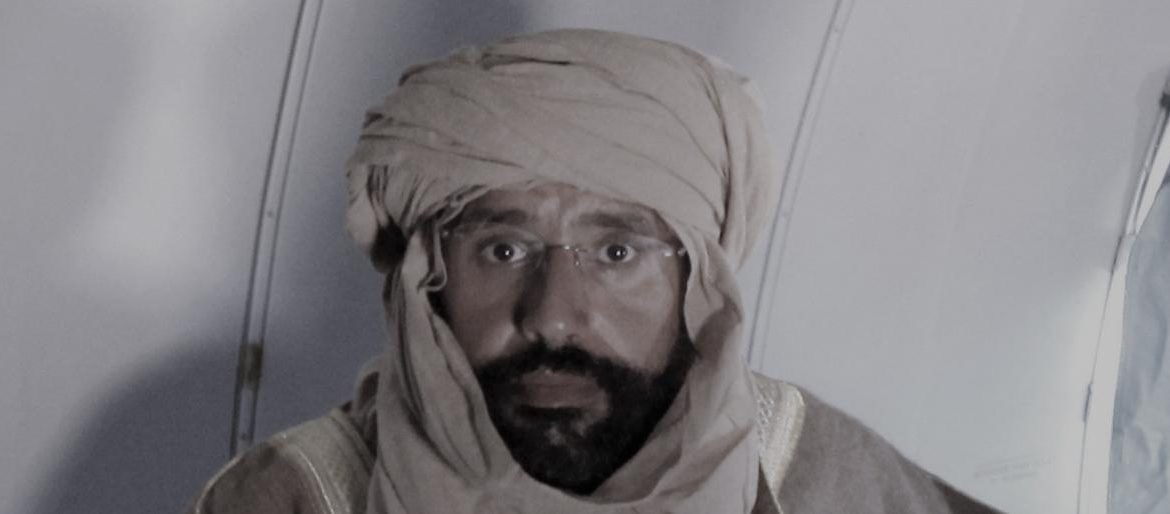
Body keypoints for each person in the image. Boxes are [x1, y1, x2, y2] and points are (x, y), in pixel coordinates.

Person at [189, 29, 999, 513]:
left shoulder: (808, 468)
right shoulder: (299, 494)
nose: (553, 314)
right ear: (429, 277)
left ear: (698, 284)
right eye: (503, 250)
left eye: (617, 254)